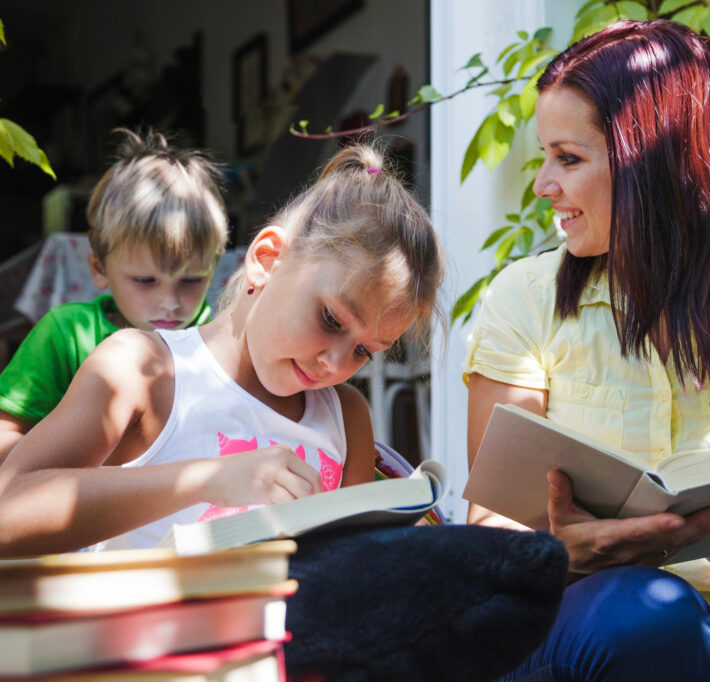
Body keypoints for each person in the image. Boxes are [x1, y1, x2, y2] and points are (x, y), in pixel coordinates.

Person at [0, 143, 570, 681]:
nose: (335, 362)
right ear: (267, 261)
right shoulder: (144, 370)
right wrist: (207, 480)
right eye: (331, 319)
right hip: (140, 656)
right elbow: (9, 509)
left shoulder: (345, 415)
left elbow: (345, 577)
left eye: (365, 351)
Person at [463, 20, 710, 682]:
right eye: (547, 155)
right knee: (649, 612)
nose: (544, 185)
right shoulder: (524, 298)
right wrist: (568, 550)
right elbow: (490, 533)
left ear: (650, 162)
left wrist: (701, 528)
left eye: (568, 158)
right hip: (566, 632)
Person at [0, 127, 229, 461]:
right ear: (99, 269)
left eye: (191, 280)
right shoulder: (66, 335)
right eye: (145, 281)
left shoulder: (222, 339)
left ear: (215, 264)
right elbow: (7, 432)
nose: (170, 302)